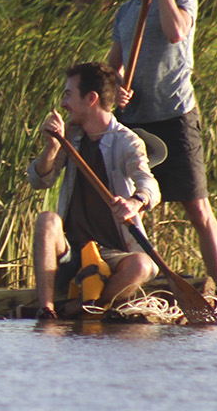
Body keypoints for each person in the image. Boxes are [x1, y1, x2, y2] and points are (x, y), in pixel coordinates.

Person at [107, 0, 217, 285]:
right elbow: (112, 65)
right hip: (135, 120)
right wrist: (116, 88)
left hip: (175, 116)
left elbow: (176, 33)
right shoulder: (125, 10)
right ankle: (142, 278)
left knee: (197, 207)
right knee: (135, 204)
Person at [28, 62, 161, 318]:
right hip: (71, 253)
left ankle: (93, 308)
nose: (63, 103)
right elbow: (39, 180)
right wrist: (52, 147)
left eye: (68, 94)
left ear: (91, 99)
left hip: (112, 254)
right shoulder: (70, 136)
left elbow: (150, 185)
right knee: (47, 220)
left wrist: (134, 202)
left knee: (142, 264)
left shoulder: (126, 141)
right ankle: (47, 309)